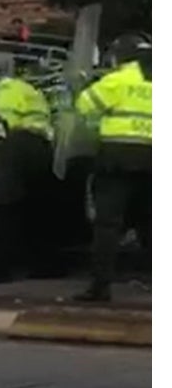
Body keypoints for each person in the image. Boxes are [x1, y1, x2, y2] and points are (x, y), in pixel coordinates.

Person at [74, 34, 152, 302]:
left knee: (108, 225)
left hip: (117, 159)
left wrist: (87, 85)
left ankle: (100, 286)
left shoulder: (118, 80)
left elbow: (84, 106)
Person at [0, 66, 59, 281]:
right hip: (41, 148)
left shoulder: (5, 89)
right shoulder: (32, 91)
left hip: (16, 147)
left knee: (5, 209)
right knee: (38, 211)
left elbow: (2, 125)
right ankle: (45, 266)